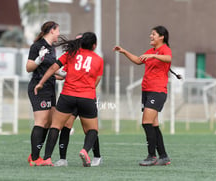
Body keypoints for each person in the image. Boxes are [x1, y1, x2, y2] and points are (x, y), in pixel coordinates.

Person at [34, 32, 104, 167]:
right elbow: (97, 80)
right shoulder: (98, 60)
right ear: (94, 45)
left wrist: (41, 82)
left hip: (67, 96)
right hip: (87, 97)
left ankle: (47, 158)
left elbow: (54, 68)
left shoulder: (71, 54)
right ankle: (85, 150)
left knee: (55, 126)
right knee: (92, 130)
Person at [113, 25, 180, 166]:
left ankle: (151, 156)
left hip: (158, 91)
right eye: (151, 34)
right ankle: (164, 156)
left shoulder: (164, 49)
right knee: (154, 125)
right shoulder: (151, 51)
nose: (151, 36)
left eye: (153, 34)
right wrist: (124, 51)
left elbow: (168, 58)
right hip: (147, 91)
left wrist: (154, 55)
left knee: (146, 122)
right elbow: (138, 60)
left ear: (161, 37)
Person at [26, 21, 60, 166]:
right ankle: (34, 158)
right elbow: (28, 67)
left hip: (51, 88)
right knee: (41, 121)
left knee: (50, 122)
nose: (59, 33)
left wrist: (64, 75)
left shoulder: (52, 49)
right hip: (38, 88)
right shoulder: (37, 46)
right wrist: (39, 59)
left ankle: (35, 153)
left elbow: (51, 71)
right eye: (58, 30)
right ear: (52, 30)